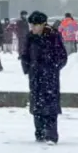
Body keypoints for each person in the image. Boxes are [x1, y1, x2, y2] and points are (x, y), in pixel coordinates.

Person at [21, 11, 67, 143]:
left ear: (42, 24)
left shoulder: (53, 36)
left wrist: (52, 68)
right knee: (37, 106)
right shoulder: (30, 37)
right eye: (31, 25)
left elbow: (62, 56)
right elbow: (25, 54)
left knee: (50, 106)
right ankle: (39, 133)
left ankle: (51, 135)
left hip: (50, 77)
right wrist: (28, 68)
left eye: (35, 25)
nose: (32, 28)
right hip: (35, 76)